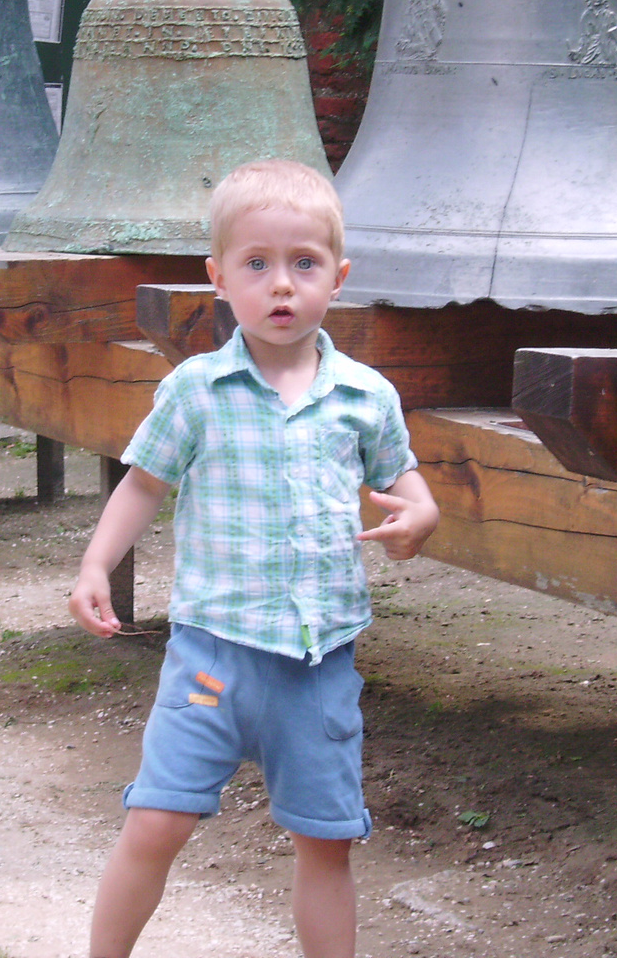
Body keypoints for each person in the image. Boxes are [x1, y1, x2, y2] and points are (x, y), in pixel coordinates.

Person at [68, 160, 440, 958]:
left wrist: (422, 512)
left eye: (304, 264)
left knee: (326, 841)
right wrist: (97, 564)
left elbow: (402, 479)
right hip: (212, 660)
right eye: (257, 265)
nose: (281, 286)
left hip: (319, 663)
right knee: (158, 820)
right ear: (219, 279)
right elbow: (142, 484)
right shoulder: (196, 390)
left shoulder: (365, 397)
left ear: (337, 278)